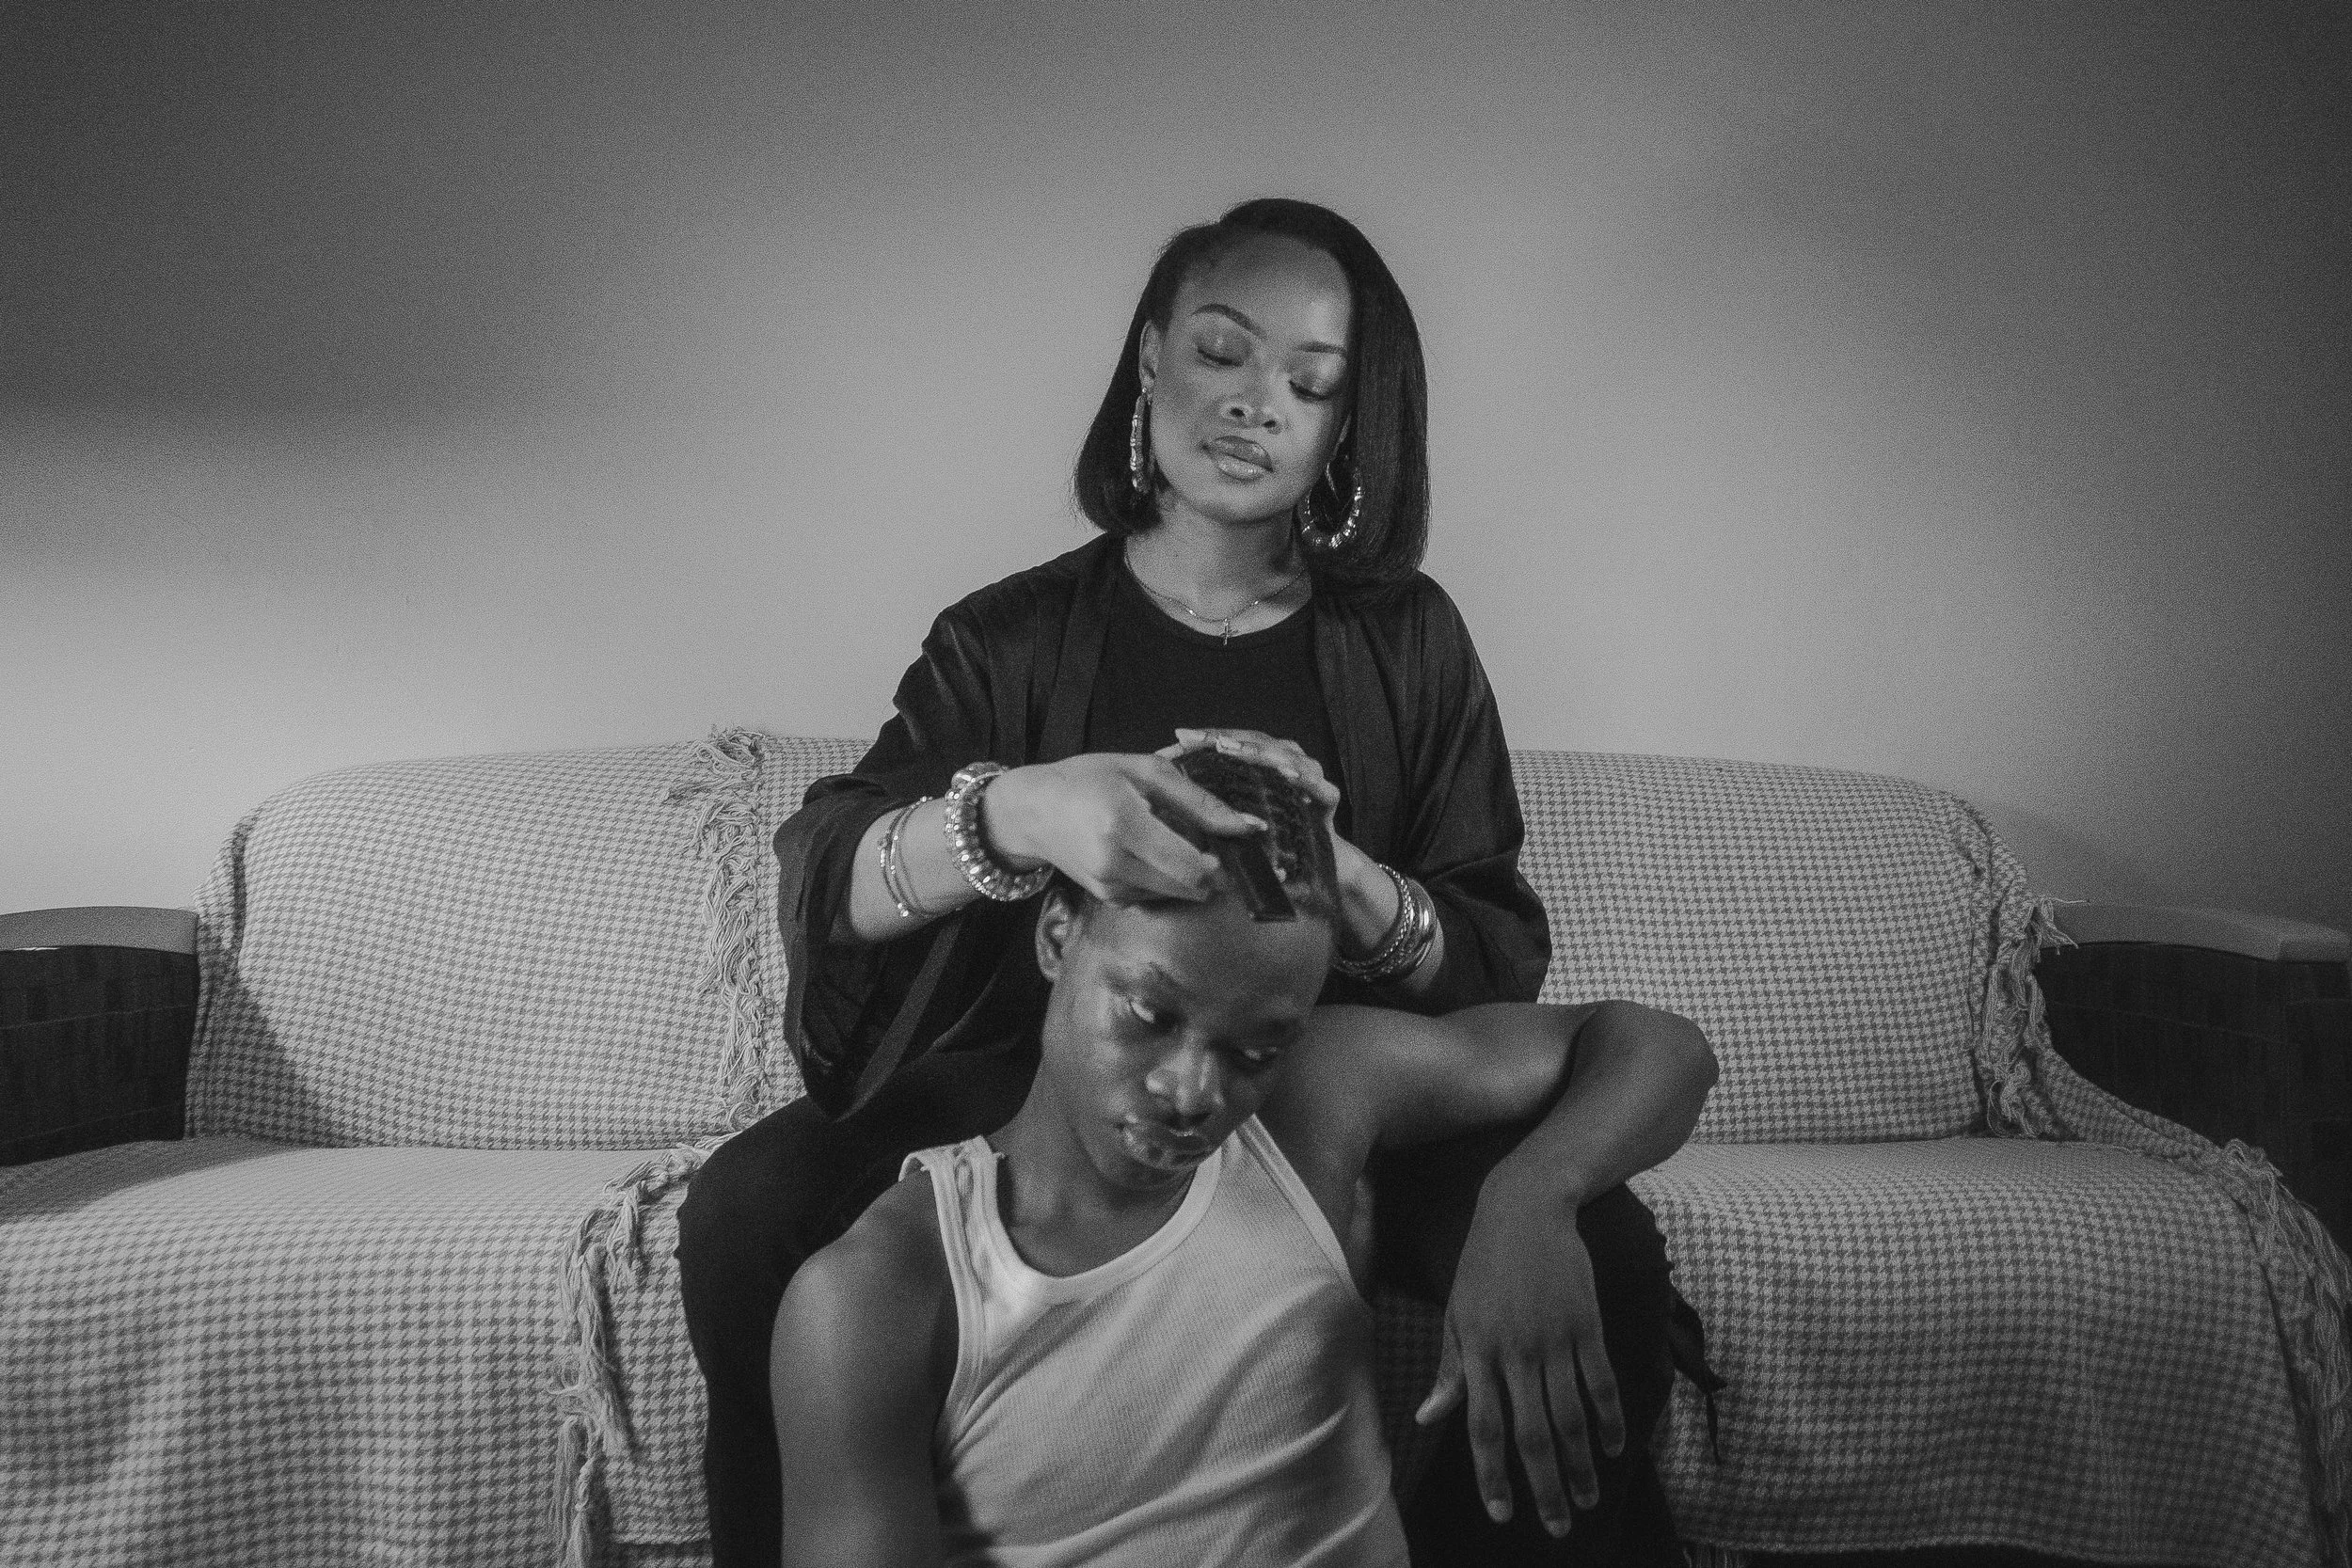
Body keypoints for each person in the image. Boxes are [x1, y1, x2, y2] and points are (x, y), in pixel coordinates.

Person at [677, 198, 1715, 1565]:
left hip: (1323, 1081)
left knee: (1609, 1256)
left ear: (1348, 425)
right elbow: (828, 874)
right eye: (1222, 352)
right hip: (1042, 1071)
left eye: (1310, 382)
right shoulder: (1010, 634)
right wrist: (1018, 809)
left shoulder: (1408, 638)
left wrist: (1344, 878)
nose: (1254, 402)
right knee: (745, 1210)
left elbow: (1492, 958)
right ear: (1152, 356)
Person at [770, 750, 1717, 1566]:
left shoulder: (1312, 1107)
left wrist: (1532, 1193)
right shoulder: (880, 1294)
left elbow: (1654, 1044)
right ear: (1058, 936)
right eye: (1149, 1012)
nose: (1192, 1091)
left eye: (1254, 1050)